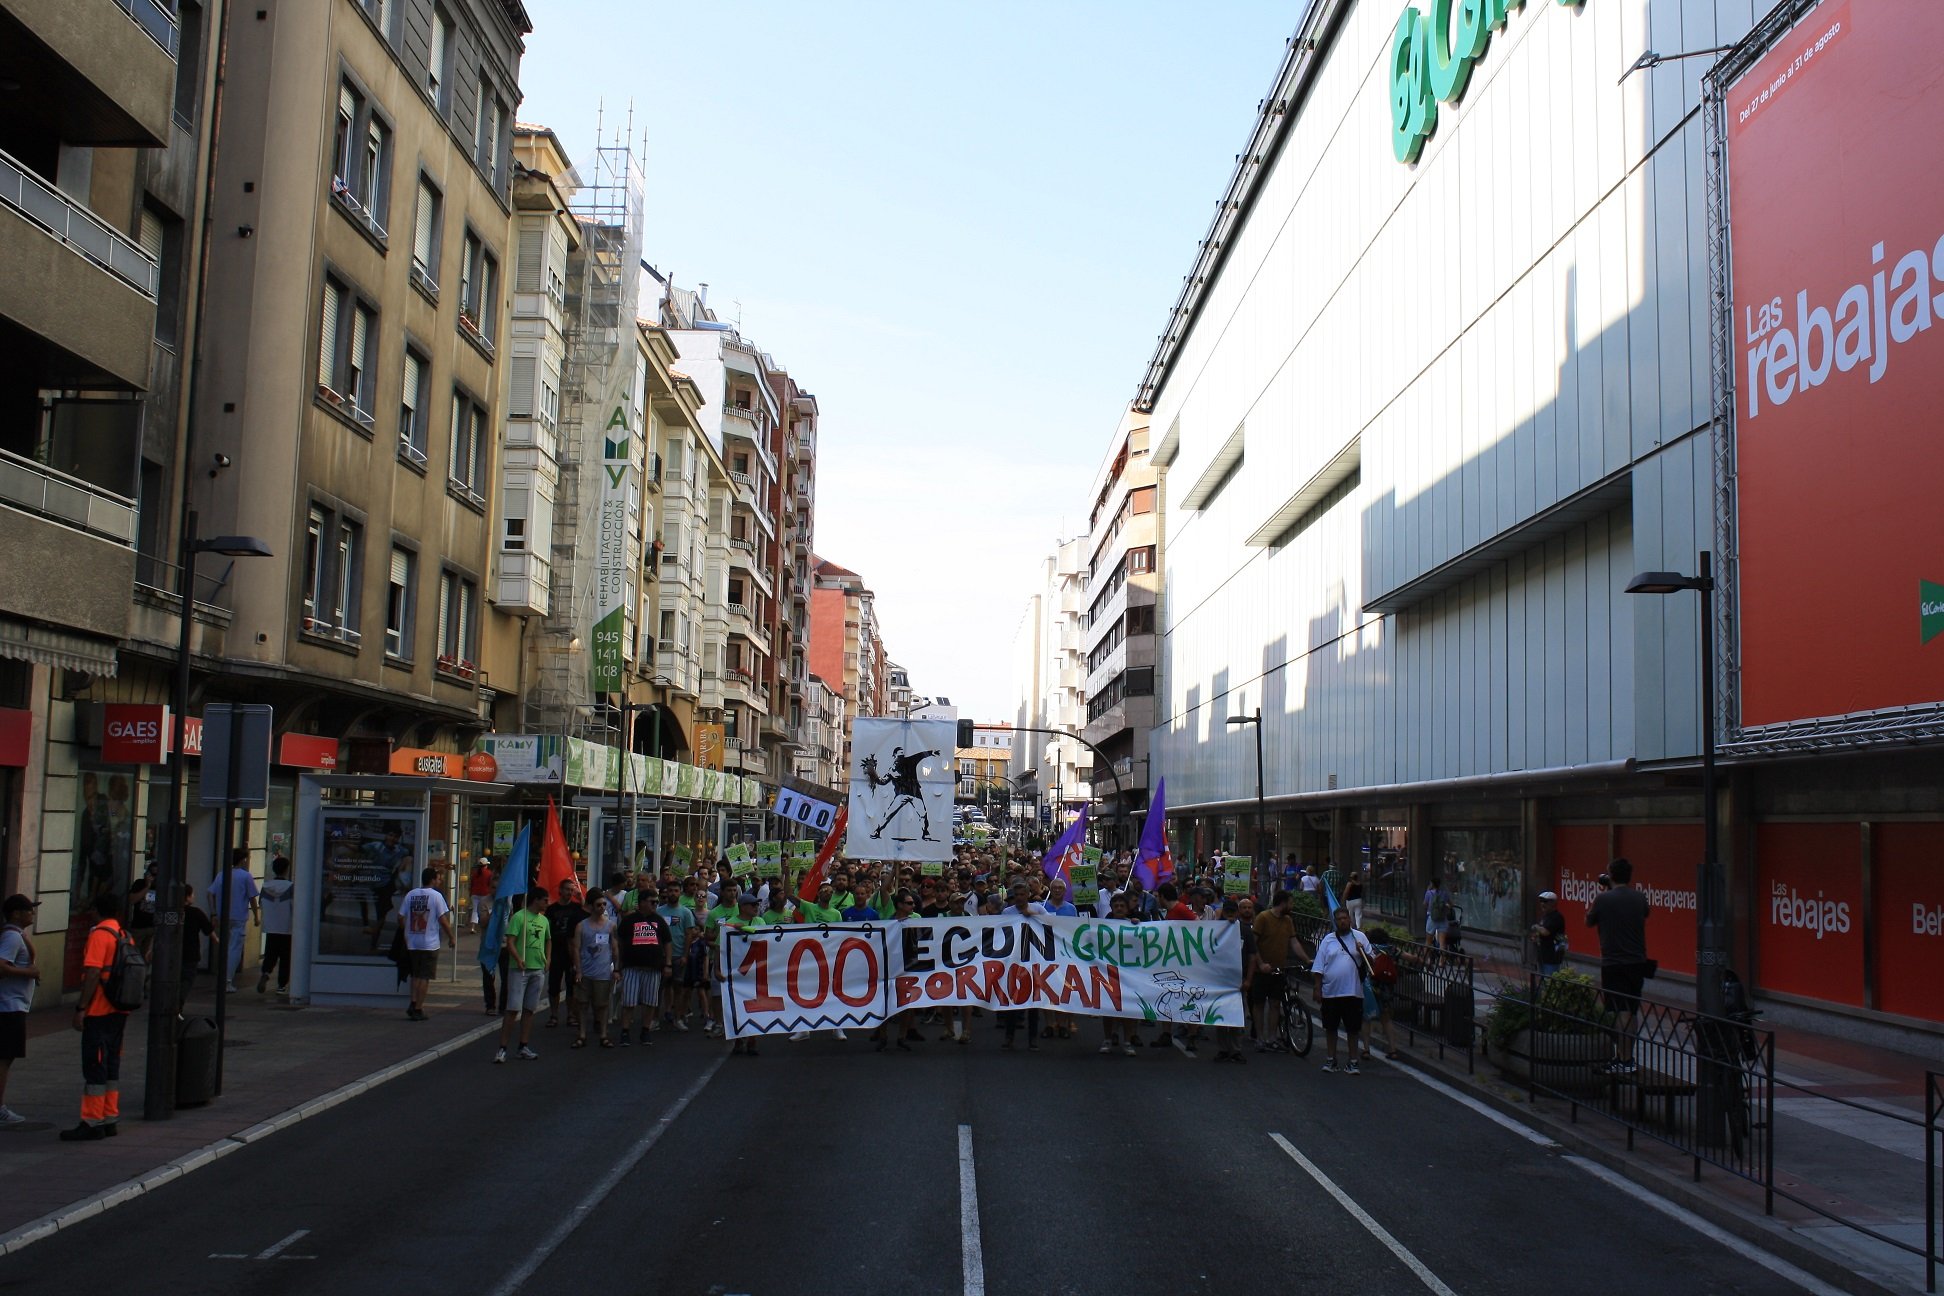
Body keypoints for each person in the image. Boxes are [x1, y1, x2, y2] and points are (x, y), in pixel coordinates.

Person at [61, 890, 133, 1141]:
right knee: (112, 1064)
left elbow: (92, 974)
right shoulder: (124, 935)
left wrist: (81, 1008)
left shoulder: (100, 935)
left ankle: (92, 1122)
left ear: (96, 911)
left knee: (94, 1065)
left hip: (99, 1010)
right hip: (119, 1010)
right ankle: (110, 1117)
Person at [1586, 858, 1651, 1074]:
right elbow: (1645, 913)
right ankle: (1627, 1056)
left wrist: (1605, 893)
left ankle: (1623, 1059)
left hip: (1614, 962)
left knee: (1619, 1011)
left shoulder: (1603, 899)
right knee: (1632, 1010)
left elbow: (1589, 921)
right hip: (1637, 961)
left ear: (1611, 875)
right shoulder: (1639, 897)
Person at [1312, 906, 1373, 1074]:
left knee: (1352, 1029)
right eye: (1339, 919)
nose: (1343, 921)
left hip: (1352, 992)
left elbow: (1371, 963)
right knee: (1330, 1027)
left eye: (1345, 918)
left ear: (1350, 920)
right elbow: (1319, 966)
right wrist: (1317, 988)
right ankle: (1331, 1059)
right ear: (1335, 922)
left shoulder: (1359, 937)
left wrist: (1362, 951)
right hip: (1331, 992)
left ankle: (1353, 1061)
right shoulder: (1327, 940)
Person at [0, 894, 42, 1125]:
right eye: (28, 910)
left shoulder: (16, 935)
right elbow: (1, 966)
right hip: (9, 1005)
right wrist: (29, 973)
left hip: (14, 1005)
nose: (32, 913)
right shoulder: (12, 937)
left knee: (6, 1058)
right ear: (16, 913)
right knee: (4, 1058)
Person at [495, 888, 549, 1063]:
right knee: (513, 1009)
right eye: (545, 900)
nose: (547, 903)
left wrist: (548, 959)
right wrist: (518, 958)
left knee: (530, 1009)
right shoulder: (519, 917)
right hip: (520, 969)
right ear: (536, 900)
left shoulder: (544, 920)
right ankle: (502, 1048)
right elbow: (510, 941)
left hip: (537, 968)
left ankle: (523, 1045)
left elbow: (548, 940)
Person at [616, 890, 671, 1046]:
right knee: (628, 1001)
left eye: (657, 902)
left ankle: (645, 1030)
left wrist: (668, 964)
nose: (655, 905)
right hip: (632, 967)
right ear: (642, 903)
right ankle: (625, 1031)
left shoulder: (659, 920)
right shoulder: (629, 920)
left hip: (653, 968)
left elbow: (667, 942)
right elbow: (619, 943)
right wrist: (618, 966)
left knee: (650, 1001)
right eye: (652, 902)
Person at [1250, 890, 1302, 1053]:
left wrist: (1307, 960)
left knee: (1275, 1003)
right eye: (1290, 903)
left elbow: (1294, 942)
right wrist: (1261, 963)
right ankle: (1259, 1038)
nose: (1292, 906)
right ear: (1283, 903)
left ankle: (1271, 1038)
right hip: (1261, 971)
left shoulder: (1287, 920)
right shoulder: (1263, 918)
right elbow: (1253, 944)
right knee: (1259, 1004)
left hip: (1279, 970)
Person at [400, 867, 453, 1021]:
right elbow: (443, 920)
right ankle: (418, 1009)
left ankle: (413, 1002)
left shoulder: (411, 894)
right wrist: (452, 937)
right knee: (425, 976)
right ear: (432, 880)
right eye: (438, 878)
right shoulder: (436, 896)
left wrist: (406, 932)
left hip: (413, 942)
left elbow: (400, 916)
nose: (439, 881)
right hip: (429, 943)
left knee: (415, 974)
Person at [206, 847, 260, 989]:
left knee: (225, 947)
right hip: (238, 916)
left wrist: (213, 913)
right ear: (243, 860)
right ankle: (227, 980)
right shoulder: (246, 876)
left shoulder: (221, 874)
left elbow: (210, 893)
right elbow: (252, 898)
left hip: (222, 916)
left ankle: (223, 977)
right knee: (234, 949)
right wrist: (256, 916)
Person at [572, 889, 617, 1049]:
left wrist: (617, 969)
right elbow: (576, 948)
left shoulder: (611, 926)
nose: (602, 907)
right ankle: (582, 1034)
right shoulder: (581, 926)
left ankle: (604, 1035)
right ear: (591, 906)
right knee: (582, 1004)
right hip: (586, 971)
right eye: (598, 905)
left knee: (602, 1005)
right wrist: (578, 970)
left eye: (604, 904)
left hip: (603, 972)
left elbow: (615, 948)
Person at [656, 882, 699, 1032]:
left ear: (680, 893)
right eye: (670, 890)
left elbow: (689, 935)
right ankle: (654, 1019)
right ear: (666, 893)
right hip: (661, 956)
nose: (673, 893)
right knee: (658, 989)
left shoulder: (686, 912)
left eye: (675, 891)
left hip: (678, 955)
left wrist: (685, 955)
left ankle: (678, 1018)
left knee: (678, 988)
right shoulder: (659, 911)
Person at [1210, 896, 1248, 1063]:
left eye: (1233, 912)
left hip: (1238, 981)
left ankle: (1236, 1050)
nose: (1230, 915)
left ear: (1237, 913)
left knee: (1237, 1016)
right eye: (1227, 912)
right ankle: (1223, 1049)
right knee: (1220, 1015)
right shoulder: (1214, 930)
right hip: (1220, 980)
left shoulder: (1244, 930)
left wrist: (1248, 979)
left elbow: (1252, 955)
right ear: (1223, 912)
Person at [544, 880, 586, 1030]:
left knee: (571, 985)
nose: (569, 892)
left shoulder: (577, 908)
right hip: (556, 950)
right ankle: (554, 1015)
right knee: (554, 985)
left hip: (572, 951)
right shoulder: (552, 909)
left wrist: (581, 900)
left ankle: (570, 1014)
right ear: (560, 890)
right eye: (567, 889)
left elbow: (587, 916)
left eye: (572, 890)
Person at [256, 856, 295, 995]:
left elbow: (261, 904)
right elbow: (294, 906)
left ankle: (266, 972)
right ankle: (281, 986)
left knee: (270, 954)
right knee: (285, 958)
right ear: (286, 870)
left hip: (270, 926)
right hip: (287, 927)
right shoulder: (290, 887)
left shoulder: (265, 886)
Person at [1530, 889, 1567, 978]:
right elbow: (1541, 932)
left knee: (1550, 980)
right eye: (1541, 901)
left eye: (1545, 901)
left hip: (1552, 957)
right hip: (1543, 955)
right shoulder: (1545, 917)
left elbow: (1546, 932)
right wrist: (1535, 936)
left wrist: (1536, 927)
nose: (1542, 904)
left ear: (1553, 903)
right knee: (1543, 981)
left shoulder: (1556, 917)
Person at [467, 858, 496, 933]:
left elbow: (471, 884)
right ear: (486, 865)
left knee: (475, 910)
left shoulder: (474, 873)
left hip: (474, 893)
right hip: (485, 893)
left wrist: (470, 892)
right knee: (487, 909)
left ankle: (472, 927)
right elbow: (490, 884)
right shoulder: (489, 873)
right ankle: (486, 925)